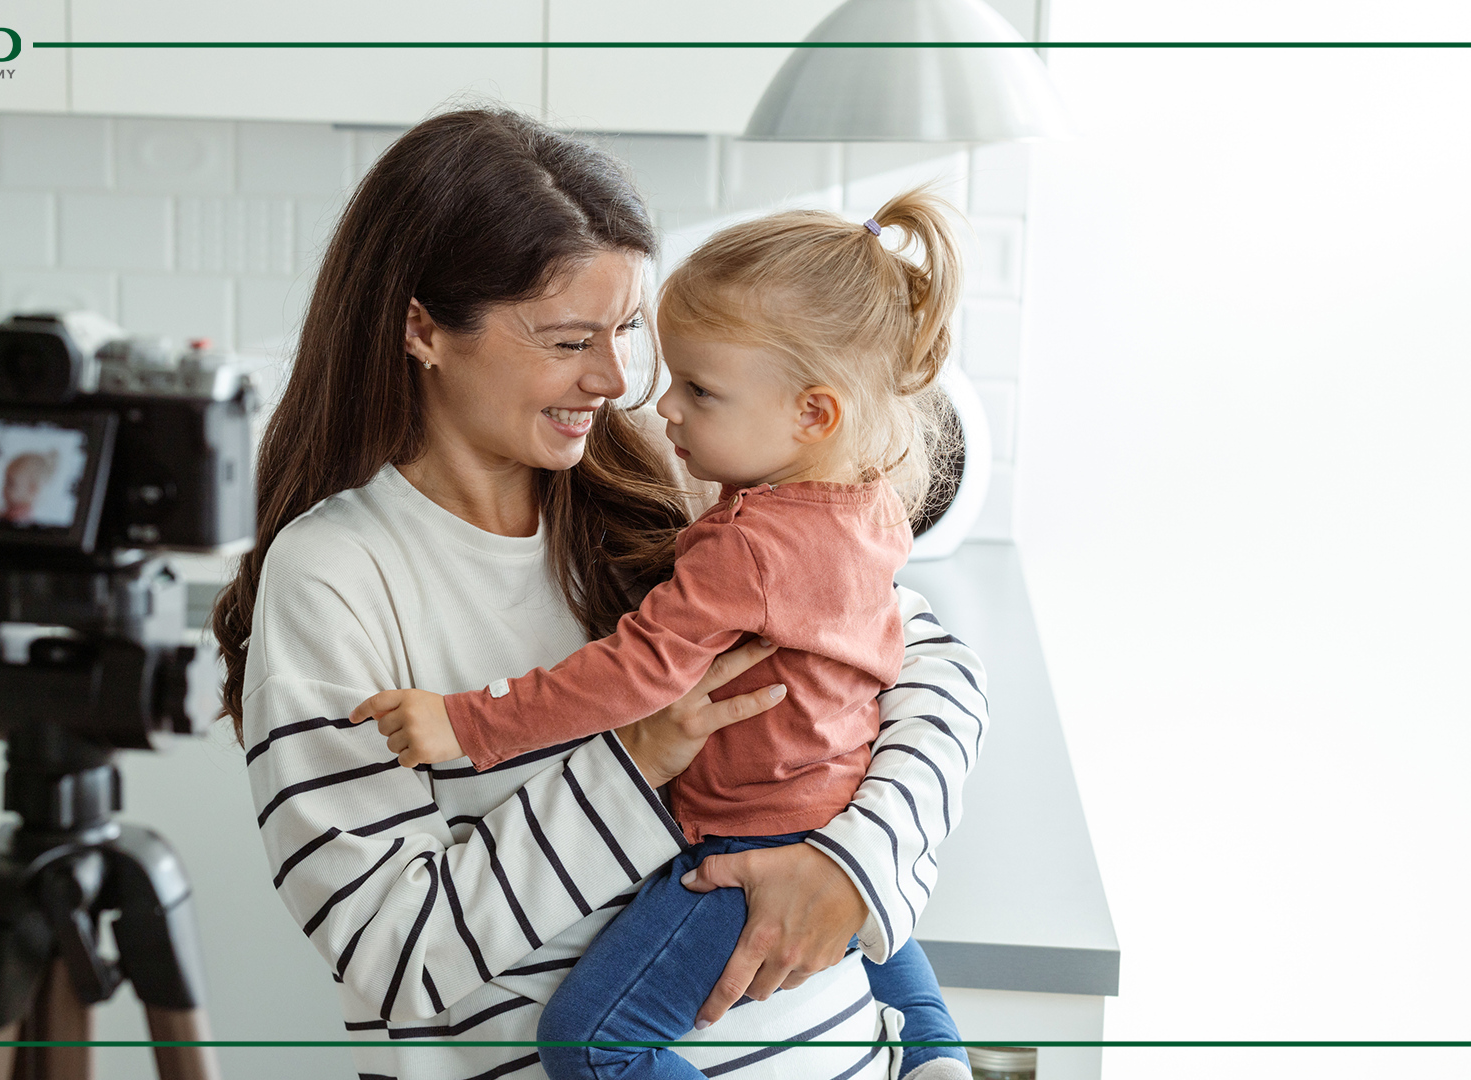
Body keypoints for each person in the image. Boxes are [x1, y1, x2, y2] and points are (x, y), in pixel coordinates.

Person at [211, 108, 989, 1080]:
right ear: (422, 328)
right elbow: (397, 956)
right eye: (572, 338)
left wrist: (856, 865)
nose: (619, 380)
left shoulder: (674, 479)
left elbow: (931, 667)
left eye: (626, 329)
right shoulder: (335, 580)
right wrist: (639, 760)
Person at [0, 450, 57, 524]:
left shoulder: (18, 517)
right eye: (5, 482)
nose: (4, 489)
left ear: (32, 489)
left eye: (10, 484)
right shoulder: (11, 511)